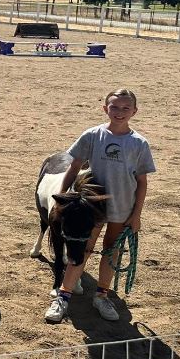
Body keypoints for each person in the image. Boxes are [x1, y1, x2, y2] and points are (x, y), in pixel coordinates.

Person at [45, 88, 155, 324]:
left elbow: (142, 182)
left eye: (126, 108)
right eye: (114, 107)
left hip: (122, 208)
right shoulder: (92, 135)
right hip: (90, 209)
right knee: (83, 249)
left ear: (135, 111)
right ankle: (63, 296)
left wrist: (136, 215)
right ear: (105, 109)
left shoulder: (139, 144)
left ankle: (101, 295)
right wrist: (62, 197)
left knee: (111, 250)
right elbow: (73, 168)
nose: (119, 112)